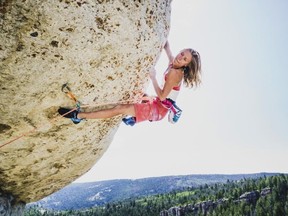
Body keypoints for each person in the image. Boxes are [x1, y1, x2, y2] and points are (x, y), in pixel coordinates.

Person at [58, 41, 201, 125]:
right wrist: (164, 40)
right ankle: (133, 119)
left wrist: (153, 78)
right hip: (158, 103)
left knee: (120, 108)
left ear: (186, 65)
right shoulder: (175, 63)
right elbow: (169, 51)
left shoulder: (175, 74)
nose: (180, 57)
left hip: (158, 109)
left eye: (184, 59)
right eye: (182, 53)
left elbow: (163, 97)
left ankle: (78, 116)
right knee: (135, 95)